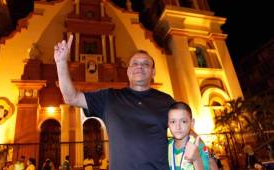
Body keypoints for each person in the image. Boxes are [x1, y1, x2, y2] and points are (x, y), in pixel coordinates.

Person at [54, 35, 175, 170]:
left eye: (146, 64)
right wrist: (61, 63)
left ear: (153, 72)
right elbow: (72, 98)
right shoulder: (109, 97)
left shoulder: (166, 101)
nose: (139, 66)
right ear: (128, 71)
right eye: (135, 63)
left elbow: (185, 130)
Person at [167, 102, 209, 170]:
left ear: (192, 123)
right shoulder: (166, 146)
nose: (178, 127)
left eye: (183, 121)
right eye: (173, 122)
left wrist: (196, 160)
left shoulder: (200, 147)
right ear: (168, 124)